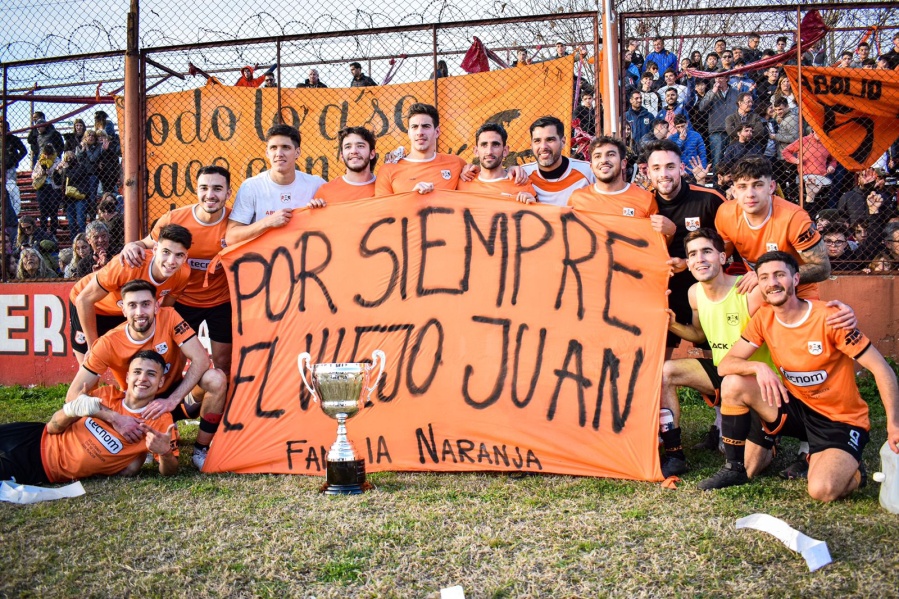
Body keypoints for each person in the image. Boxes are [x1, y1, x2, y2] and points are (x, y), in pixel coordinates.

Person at [699, 251, 899, 499]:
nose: (772, 283)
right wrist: (758, 367)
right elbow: (725, 365)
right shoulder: (764, 317)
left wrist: (894, 424)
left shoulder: (831, 318)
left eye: (779, 275)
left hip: (837, 420)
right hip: (794, 406)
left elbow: (881, 368)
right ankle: (734, 468)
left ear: (795, 279)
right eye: (764, 277)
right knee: (733, 382)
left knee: (822, 490)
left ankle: (855, 470)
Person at [66, 280, 227, 469]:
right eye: (132, 305)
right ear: (123, 309)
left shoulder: (169, 316)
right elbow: (72, 397)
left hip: (176, 399)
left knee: (216, 378)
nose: (139, 312)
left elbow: (201, 359)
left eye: (145, 304)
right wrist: (115, 418)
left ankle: (201, 450)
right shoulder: (108, 343)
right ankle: (142, 441)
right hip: (137, 408)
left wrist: (172, 400)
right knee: (131, 467)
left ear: (156, 306)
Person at [0, 350, 180, 484]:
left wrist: (164, 452)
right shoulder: (105, 394)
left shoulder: (160, 420)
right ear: (127, 377)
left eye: (151, 374)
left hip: (44, 467)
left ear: (161, 381)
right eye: (137, 372)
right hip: (33, 434)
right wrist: (77, 409)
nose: (142, 378)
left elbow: (170, 472)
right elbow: (53, 427)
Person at [122, 166, 234, 375]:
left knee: (223, 363)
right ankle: (177, 395)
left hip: (221, 301)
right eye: (204, 188)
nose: (210, 194)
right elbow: (147, 243)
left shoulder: (236, 222)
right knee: (175, 361)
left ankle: (213, 396)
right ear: (196, 190)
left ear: (228, 193)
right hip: (183, 300)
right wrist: (131, 245)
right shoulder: (174, 219)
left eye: (217, 189)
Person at [644, 139, 724, 366]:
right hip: (660, 290)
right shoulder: (643, 204)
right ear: (648, 172)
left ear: (681, 168)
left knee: (715, 357)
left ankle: (718, 381)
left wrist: (689, 262)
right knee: (658, 358)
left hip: (704, 287)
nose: (664, 174)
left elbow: (728, 248)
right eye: (657, 168)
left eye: (670, 167)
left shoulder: (710, 199)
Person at [69, 223, 192, 365]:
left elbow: (162, 311)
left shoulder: (183, 274)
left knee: (132, 363)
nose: (171, 261)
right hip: (90, 304)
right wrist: (92, 346)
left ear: (185, 257)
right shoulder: (128, 264)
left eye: (179, 255)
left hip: (125, 312)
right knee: (90, 363)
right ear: (155, 249)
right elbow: (84, 299)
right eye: (166, 252)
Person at [715, 156, 830, 301]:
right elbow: (721, 256)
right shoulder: (725, 213)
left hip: (796, 293)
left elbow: (822, 268)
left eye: (758, 185)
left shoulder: (794, 218)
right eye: (742, 187)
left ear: (771, 187)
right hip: (758, 291)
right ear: (734, 191)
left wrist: (766, 276)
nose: (750, 194)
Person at [226, 124, 325, 245]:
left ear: (297, 152)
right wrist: (267, 222)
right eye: (273, 148)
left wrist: (322, 211)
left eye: (285, 147)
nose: (279, 153)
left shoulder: (316, 184)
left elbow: (336, 220)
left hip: (304, 253)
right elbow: (231, 237)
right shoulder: (251, 186)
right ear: (267, 153)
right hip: (263, 255)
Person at [375, 103, 466, 196]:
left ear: (437, 131)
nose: (420, 132)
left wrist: (471, 169)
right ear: (409, 133)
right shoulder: (388, 170)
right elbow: (383, 205)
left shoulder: (456, 163)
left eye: (426, 126)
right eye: (414, 127)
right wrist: (413, 196)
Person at [567, 135, 657, 218]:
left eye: (611, 155)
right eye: (597, 156)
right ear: (591, 167)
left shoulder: (646, 199)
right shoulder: (577, 199)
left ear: (623, 163)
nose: (604, 160)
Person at [520, 115, 594, 206]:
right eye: (537, 141)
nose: (543, 147)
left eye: (550, 140)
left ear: (563, 142)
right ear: (531, 144)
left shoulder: (588, 171)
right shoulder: (522, 175)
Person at [457, 123, 536, 202]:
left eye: (495, 145)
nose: (489, 152)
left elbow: (536, 208)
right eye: (484, 145)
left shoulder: (521, 184)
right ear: (476, 151)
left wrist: (533, 204)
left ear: (505, 151)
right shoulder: (463, 182)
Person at [314, 127, 378, 204]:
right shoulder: (326, 191)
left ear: (372, 154)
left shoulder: (385, 188)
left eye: (360, 146)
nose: (354, 151)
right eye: (348, 147)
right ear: (342, 156)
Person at [782, 132, 837, 204]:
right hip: (804, 179)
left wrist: (832, 166)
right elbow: (785, 152)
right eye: (818, 132)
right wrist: (796, 161)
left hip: (821, 179)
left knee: (820, 203)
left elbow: (833, 160)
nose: (819, 135)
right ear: (813, 130)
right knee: (805, 204)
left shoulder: (827, 143)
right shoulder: (804, 140)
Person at [699, 74, 740, 169]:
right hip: (716, 130)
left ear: (727, 79)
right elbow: (702, 107)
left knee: (734, 161)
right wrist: (713, 92)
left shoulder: (735, 92)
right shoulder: (711, 92)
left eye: (721, 77)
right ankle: (716, 178)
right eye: (716, 78)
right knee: (717, 161)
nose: (718, 80)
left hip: (733, 130)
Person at [1, 119, 28, 216]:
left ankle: (11, 213)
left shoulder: (13, 139)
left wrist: (14, 160)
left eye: (3, 127)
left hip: (9, 168)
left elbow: (23, 151)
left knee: (11, 189)